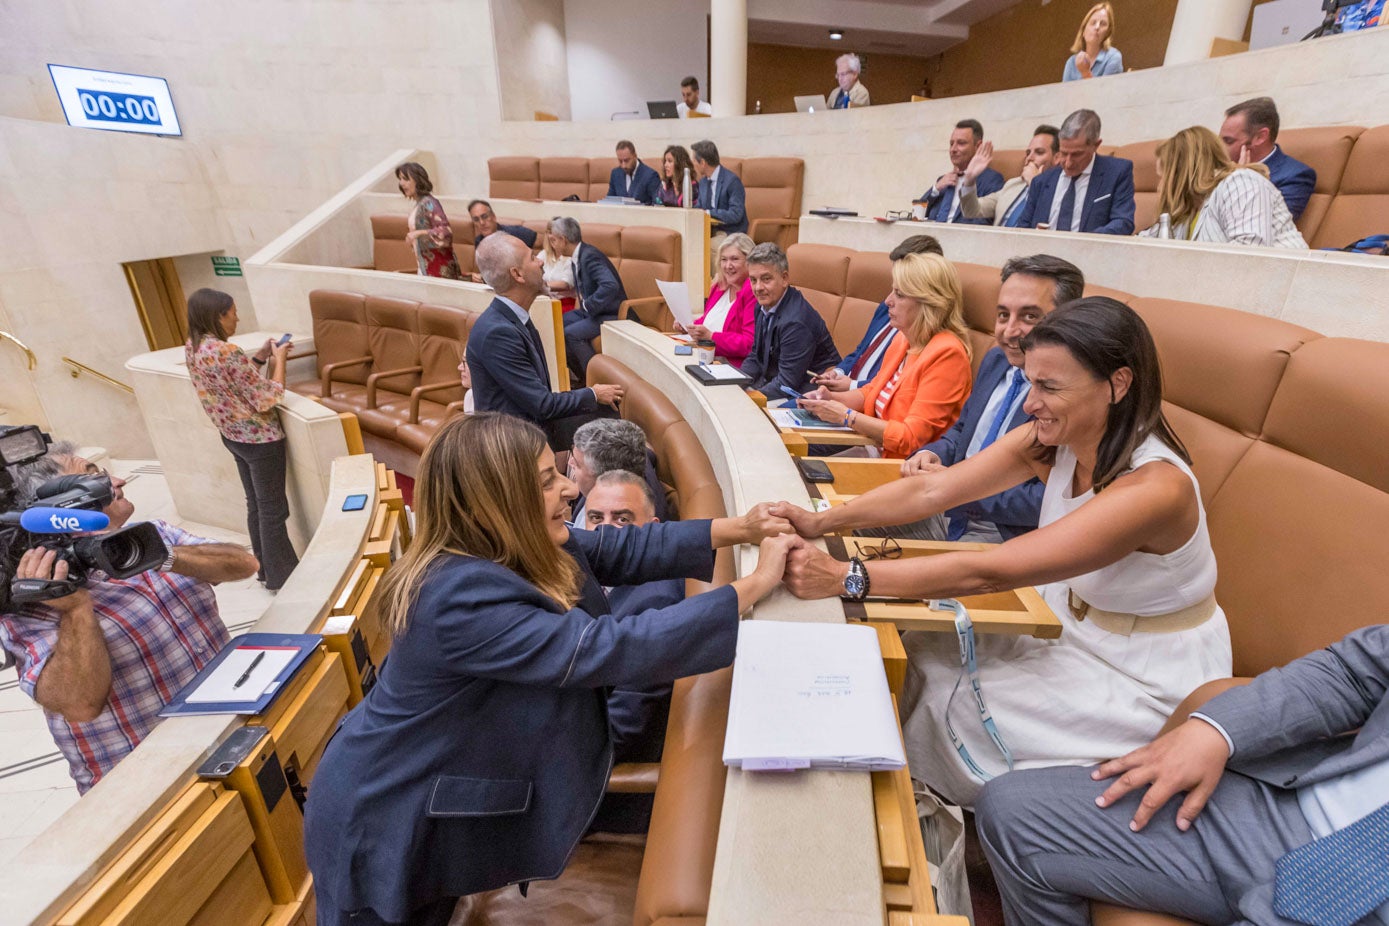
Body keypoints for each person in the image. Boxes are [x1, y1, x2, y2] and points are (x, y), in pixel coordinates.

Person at [303, 412, 794, 925]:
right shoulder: (456, 596)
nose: (568, 490)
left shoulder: (508, 544)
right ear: (497, 502)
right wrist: (754, 585)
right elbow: (607, 648)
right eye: (546, 482)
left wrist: (740, 527)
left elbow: (618, 549)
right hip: (384, 812)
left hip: (433, 789)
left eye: (558, 472)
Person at [776, 298, 1233, 807]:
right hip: (1071, 625)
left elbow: (990, 571)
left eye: (1049, 387)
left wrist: (845, 577)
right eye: (1032, 382)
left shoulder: (1156, 488)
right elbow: (935, 491)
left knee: (946, 701)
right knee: (926, 658)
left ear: (1118, 385)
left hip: (1141, 672)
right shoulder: (1055, 436)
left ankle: (921, 824)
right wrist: (822, 519)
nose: (1030, 402)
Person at [976, 623, 1389, 926]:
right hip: (1283, 802)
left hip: (1363, 899)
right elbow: (1353, 672)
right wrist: (1217, 731)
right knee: (1012, 810)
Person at [0, 444, 258, 793]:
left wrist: (159, 554)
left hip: (234, 736)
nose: (119, 480)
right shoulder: (32, 599)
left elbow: (243, 564)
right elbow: (79, 704)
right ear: (54, 508)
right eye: (95, 479)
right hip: (152, 785)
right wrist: (76, 609)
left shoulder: (150, 533)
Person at [901, 255, 1086, 542]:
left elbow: (1047, 497)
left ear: (1069, 319)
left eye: (1029, 317)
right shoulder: (996, 359)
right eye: (1003, 315)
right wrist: (931, 454)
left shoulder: (1074, 392)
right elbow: (962, 432)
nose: (1009, 332)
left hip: (1005, 533)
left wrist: (959, 490)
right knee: (844, 525)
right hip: (949, 507)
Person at [796, 253, 972, 460]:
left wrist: (845, 416)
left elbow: (911, 437)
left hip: (904, 466)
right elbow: (872, 391)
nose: (888, 301)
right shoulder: (903, 339)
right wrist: (829, 399)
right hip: (871, 447)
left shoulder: (948, 355)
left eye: (899, 294)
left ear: (928, 302)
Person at [183, 288, 300, 589]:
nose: (237, 318)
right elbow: (267, 398)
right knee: (274, 511)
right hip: (260, 441)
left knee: (256, 506)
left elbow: (234, 383)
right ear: (218, 316)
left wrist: (261, 357)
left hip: (233, 436)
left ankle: (262, 569)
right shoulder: (227, 351)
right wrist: (280, 359)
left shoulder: (193, 347)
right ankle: (282, 577)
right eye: (233, 312)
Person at [466, 233, 623, 451]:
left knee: (624, 435)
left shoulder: (512, 319)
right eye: (532, 257)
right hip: (513, 444)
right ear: (517, 274)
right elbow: (542, 405)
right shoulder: (498, 332)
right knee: (622, 440)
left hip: (529, 427)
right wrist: (594, 393)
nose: (540, 261)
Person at [1139, 126, 1307, 248]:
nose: (1160, 187)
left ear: (1180, 173)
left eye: (1163, 177)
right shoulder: (1190, 208)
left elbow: (1251, 252)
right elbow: (1147, 244)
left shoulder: (1241, 182)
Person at [815, 235, 944, 390]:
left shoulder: (924, 333)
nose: (889, 300)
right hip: (845, 392)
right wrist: (838, 372)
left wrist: (852, 386)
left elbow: (896, 384)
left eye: (901, 291)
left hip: (863, 400)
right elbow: (860, 351)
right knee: (782, 409)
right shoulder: (885, 308)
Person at [738, 243, 840, 400]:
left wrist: (746, 398)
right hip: (776, 383)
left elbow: (787, 384)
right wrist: (735, 383)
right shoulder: (763, 305)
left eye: (766, 279)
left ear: (784, 278)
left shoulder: (796, 322)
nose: (758, 287)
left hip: (807, 393)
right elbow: (755, 357)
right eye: (753, 280)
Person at [1016, 109, 1135, 235]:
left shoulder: (1117, 172)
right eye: (1063, 153)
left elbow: (1123, 222)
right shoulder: (1041, 181)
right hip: (1043, 252)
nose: (1068, 163)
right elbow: (1023, 227)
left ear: (1096, 145)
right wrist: (1035, 234)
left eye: (1077, 154)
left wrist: (1083, 242)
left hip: (1091, 252)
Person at [549, 216, 629, 380]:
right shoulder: (577, 256)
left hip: (610, 313)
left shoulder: (589, 256)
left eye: (553, 240)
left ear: (563, 240)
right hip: (593, 312)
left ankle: (594, 381)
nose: (552, 245)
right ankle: (579, 378)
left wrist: (588, 305)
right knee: (556, 323)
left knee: (571, 334)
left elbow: (610, 285)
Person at [1219, 96, 1317, 221]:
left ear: (1260, 137)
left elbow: (1268, 224)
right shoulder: (1219, 167)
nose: (1220, 148)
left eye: (1228, 141)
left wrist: (1242, 180)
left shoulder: (1295, 176)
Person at [676, 232, 757, 368]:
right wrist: (688, 326)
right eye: (724, 259)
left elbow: (749, 344)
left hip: (729, 366)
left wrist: (711, 337)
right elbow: (708, 321)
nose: (727, 265)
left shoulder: (753, 292)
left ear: (749, 262)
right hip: (704, 356)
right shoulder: (719, 286)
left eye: (734, 259)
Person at [567, 417, 668, 525]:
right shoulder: (630, 457)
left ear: (603, 479)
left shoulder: (629, 523)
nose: (570, 463)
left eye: (577, 464)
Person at [956, 126, 1060, 227]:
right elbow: (971, 211)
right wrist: (969, 179)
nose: (1029, 158)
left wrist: (1034, 184)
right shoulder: (1013, 184)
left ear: (1057, 158)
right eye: (1028, 153)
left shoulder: (1060, 190)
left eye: (1039, 152)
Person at [917, 120, 1004, 225]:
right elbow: (917, 215)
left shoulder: (991, 179)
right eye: (951, 143)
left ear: (978, 146)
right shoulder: (943, 180)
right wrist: (936, 188)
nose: (953, 149)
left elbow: (982, 223)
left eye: (961, 143)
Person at [395, 162, 463, 279]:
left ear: (417, 180)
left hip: (438, 269)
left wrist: (419, 233)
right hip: (424, 266)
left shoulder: (429, 203)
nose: (401, 183)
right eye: (400, 179)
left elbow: (446, 232)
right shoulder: (419, 204)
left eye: (406, 179)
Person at [467, 199, 537, 282]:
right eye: (476, 219)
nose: (481, 222)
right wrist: (479, 277)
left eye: (484, 217)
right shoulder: (479, 242)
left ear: (493, 217)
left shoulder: (517, 233)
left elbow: (541, 244)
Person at [691, 139, 748, 240]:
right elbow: (699, 208)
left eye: (694, 161)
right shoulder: (703, 182)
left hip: (730, 233)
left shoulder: (732, 181)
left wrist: (709, 213)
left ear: (703, 163)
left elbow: (735, 214)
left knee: (705, 249)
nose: (693, 164)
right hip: (708, 232)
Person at [1063, 2, 1123, 82]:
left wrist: (1085, 73)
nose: (1097, 27)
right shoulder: (1071, 62)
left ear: (1107, 33)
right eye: (1093, 23)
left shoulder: (1113, 57)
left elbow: (1106, 93)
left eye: (1103, 24)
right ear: (1083, 31)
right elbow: (1065, 93)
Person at [605, 140, 660, 204]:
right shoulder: (615, 174)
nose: (623, 166)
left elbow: (657, 204)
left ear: (635, 156)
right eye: (620, 161)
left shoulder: (650, 176)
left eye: (626, 160)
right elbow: (609, 202)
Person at [540, 218, 576, 312]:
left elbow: (565, 284)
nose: (552, 236)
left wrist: (539, 285)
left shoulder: (572, 257)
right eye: (551, 232)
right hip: (544, 301)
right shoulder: (544, 254)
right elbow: (532, 271)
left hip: (565, 304)